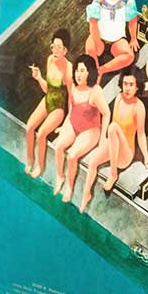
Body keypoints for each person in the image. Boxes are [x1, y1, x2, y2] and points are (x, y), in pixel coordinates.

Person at [79, 69, 148, 212]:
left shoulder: (139, 107)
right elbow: (113, 130)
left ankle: (113, 174)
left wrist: (146, 156)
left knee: (113, 127)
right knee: (93, 162)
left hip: (125, 154)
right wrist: (104, 144)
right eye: (125, 84)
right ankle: (86, 196)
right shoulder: (119, 97)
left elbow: (141, 134)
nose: (127, 88)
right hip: (113, 145)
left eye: (131, 85)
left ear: (137, 87)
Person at [51, 54, 110, 203]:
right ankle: (60, 176)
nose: (78, 74)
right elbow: (71, 109)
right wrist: (64, 126)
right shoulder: (73, 87)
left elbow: (106, 113)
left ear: (90, 72)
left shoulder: (95, 91)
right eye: (77, 70)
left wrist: (103, 138)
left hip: (91, 130)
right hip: (73, 124)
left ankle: (69, 187)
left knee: (72, 156)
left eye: (82, 71)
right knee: (58, 147)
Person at [23, 28, 71, 178]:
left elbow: (71, 99)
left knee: (42, 134)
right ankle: (30, 159)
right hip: (47, 99)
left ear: (65, 50)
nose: (55, 51)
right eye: (53, 46)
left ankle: (40, 166)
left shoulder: (69, 69)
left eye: (59, 47)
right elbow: (47, 89)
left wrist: (67, 122)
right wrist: (38, 78)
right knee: (29, 127)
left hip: (59, 108)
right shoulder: (50, 59)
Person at [84, 0, 138, 82]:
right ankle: (94, 76)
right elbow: (92, 22)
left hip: (117, 41)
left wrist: (133, 38)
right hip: (99, 38)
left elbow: (132, 17)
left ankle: (100, 70)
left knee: (129, 56)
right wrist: (97, 42)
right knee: (90, 48)